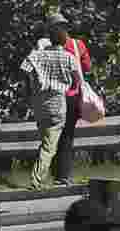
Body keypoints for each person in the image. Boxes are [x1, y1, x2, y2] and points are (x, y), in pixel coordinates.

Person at [21, 13, 82, 190]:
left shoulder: (37, 55)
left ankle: (42, 176)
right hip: (57, 102)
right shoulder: (69, 57)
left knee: (46, 139)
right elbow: (77, 80)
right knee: (49, 146)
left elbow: (25, 70)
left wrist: (33, 87)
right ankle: (36, 180)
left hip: (39, 102)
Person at [49, 13, 92, 187]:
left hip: (54, 97)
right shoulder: (77, 45)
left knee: (55, 136)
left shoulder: (46, 48)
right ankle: (63, 175)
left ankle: (58, 174)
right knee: (66, 137)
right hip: (72, 97)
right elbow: (87, 68)